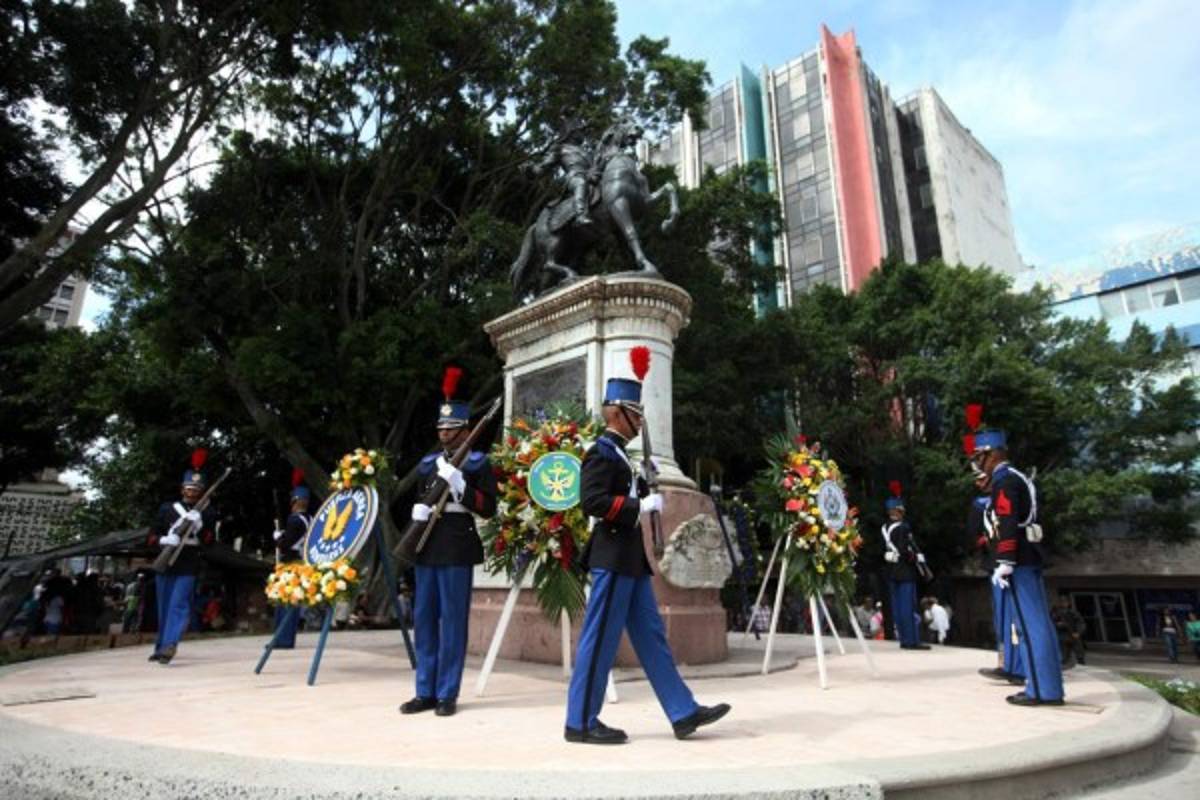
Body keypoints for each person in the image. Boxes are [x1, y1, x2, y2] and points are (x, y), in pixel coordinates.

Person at [564, 352, 730, 744]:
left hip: (630, 559)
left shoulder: (622, 456)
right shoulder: (601, 452)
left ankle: (682, 711)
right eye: (635, 414)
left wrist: (640, 488)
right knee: (600, 639)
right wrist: (637, 505)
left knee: (652, 637)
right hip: (611, 556)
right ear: (617, 413)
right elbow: (592, 501)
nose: (640, 421)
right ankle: (580, 721)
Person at [399, 368, 498, 718]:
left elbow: (488, 507)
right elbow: (420, 498)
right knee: (424, 620)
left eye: (451, 428)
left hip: (456, 545)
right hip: (426, 545)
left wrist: (462, 487)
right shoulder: (428, 465)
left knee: (453, 621)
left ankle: (447, 692)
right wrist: (418, 511)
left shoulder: (478, 464)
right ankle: (424, 690)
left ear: (466, 430)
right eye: (441, 428)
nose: (444, 433)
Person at [972, 430, 1063, 706]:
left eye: (980, 457)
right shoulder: (1017, 477)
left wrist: (1005, 560)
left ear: (993, 454)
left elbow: (1008, 520)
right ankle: (1048, 687)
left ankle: (1041, 691)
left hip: (1019, 559)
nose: (979, 464)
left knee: (1029, 625)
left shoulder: (1005, 480)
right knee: (1037, 623)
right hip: (1027, 554)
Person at [146, 449, 219, 665]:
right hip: (167, 559)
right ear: (182, 488)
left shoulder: (207, 512)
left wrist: (199, 525)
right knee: (164, 606)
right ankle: (160, 646)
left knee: (179, 604)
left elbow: (209, 541)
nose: (192, 491)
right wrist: (164, 540)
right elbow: (151, 536)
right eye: (188, 488)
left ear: (202, 491)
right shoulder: (167, 508)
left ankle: (170, 645)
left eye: (196, 489)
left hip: (189, 562)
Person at [880, 486, 929, 651]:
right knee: (908, 607)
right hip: (906, 572)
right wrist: (917, 558)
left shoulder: (884, 528)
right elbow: (905, 551)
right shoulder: (903, 527)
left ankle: (903, 639)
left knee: (897, 607)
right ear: (899, 511)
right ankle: (912, 641)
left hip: (891, 571)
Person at [271, 472, 311, 649]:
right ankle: (286, 638)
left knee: (285, 601)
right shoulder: (309, 518)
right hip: (301, 562)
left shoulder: (294, 520)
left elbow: (285, 545)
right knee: (292, 601)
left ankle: (283, 639)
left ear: (294, 502)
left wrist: (278, 538)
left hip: (290, 562)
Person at [537, 123, 594, 226]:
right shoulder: (560, 149)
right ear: (571, 133)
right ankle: (580, 214)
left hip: (590, 175)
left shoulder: (586, 151)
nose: (582, 134)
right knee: (580, 183)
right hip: (575, 176)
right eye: (580, 131)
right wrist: (534, 169)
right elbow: (544, 166)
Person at [1051, 595, 1086, 668]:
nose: (1063, 603)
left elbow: (1081, 623)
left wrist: (1078, 632)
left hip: (1073, 635)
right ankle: (1064, 665)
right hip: (1062, 635)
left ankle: (1081, 664)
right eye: (1061, 602)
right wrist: (1057, 624)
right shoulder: (1055, 612)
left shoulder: (1073, 612)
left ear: (1068, 603)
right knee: (1064, 654)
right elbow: (1051, 622)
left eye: (1065, 602)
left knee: (1079, 653)